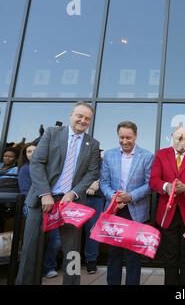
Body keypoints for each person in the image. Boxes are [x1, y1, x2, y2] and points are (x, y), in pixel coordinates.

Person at [16, 101, 100, 285]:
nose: (83, 120)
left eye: (87, 118)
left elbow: (92, 172)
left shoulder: (93, 144)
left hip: (71, 203)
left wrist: (73, 193)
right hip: (41, 200)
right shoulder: (52, 133)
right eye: (80, 116)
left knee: (73, 253)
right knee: (31, 250)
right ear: (71, 115)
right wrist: (45, 193)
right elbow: (36, 164)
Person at [150, 126, 185, 285]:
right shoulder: (161, 154)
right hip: (168, 215)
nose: (182, 142)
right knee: (170, 257)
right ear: (171, 138)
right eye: (179, 138)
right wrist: (167, 186)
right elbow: (154, 179)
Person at [100, 121, 154, 285]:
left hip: (136, 211)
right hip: (115, 209)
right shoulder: (109, 155)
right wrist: (114, 197)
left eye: (128, 137)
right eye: (121, 137)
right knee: (114, 254)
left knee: (133, 256)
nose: (124, 141)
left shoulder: (147, 156)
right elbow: (104, 182)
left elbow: (150, 184)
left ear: (135, 136)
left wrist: (130, 196)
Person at [18, 142, 62, 279]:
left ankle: (47, 267)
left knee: (55, 240)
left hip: (51, 206)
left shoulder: (48, 167)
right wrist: (44, 195)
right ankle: (31, 273)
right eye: (28, 152)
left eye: (34, 151)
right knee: (33, 241)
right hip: (33, 205)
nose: (32, 154)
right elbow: (25, 190)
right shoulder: (25, 169)